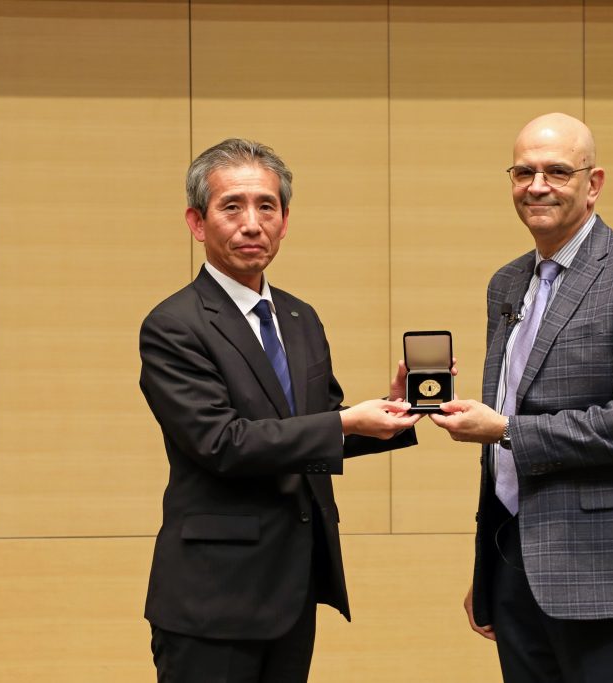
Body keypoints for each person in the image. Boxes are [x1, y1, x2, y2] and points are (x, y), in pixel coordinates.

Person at [139, 138, 422, 683]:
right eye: (232, 206)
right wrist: (344, 421)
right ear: (197, 223)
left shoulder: (299, 317)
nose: (252, 224)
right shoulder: (174, 325)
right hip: (212, 598)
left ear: (285, 221)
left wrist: (392, 413)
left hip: (293, 587)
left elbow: (314, 430)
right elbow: (223, 443)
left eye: (266, 206)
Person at [430, 113, 613, 683]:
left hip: (607, 574)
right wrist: (489, 565)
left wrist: (504, 430)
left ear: (593, 184)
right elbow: (512, 417)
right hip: (515, 565)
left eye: (556, 171)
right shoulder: (507, 282)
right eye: (524, 172)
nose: (537, 186)